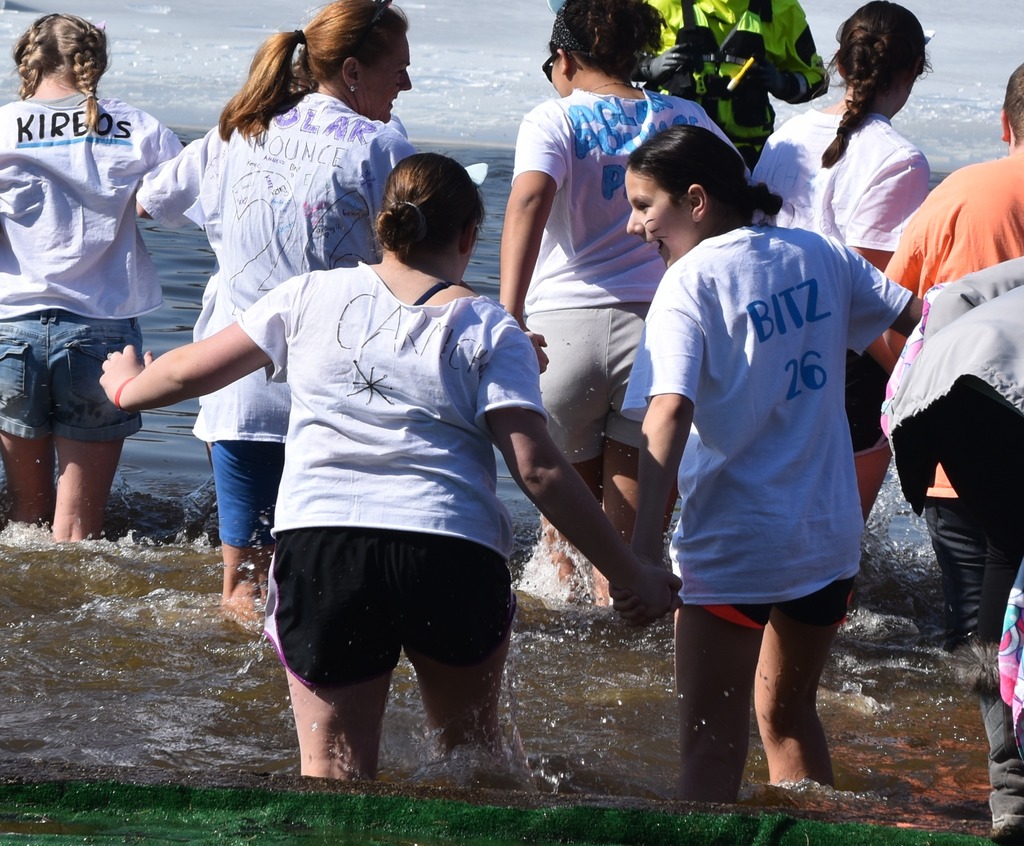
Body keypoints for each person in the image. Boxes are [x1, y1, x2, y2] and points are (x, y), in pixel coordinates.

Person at [102, 153, 681, 781]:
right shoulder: (490, 325)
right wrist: (630, 572)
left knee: (332, 768)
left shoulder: (307, 294)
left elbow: (187, 372)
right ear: (469, 236)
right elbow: (537, 468)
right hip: (451, 548)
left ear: (384, 225)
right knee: (475, 761)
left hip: (327, 545)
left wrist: (126, 387)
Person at [617, 125, 920, 802]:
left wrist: (642, 552)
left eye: (643, 205)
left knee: (711, 744)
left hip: (736, 546)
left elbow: (668, 412)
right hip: (826, 541)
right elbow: (917, 317)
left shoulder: (689, 282)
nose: (634, 225)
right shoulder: (820, 252)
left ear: (696, 201)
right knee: (788, 717)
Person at [137, 0, 415, 619]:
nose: (407, 82)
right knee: (334, 585)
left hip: (238, 391)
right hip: (341, 398)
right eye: (398, 67)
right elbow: (421, 264)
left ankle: (238, 682)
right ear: (351, 70)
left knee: (244, 586)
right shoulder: (381, 146)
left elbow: (150, 202)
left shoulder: (238, 130)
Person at [499, 0, 732, 604]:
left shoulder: (553, 118)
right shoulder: (685, 115)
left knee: (562, 550)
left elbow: (528, 200)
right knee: (627, 556)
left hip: (562, 339)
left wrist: (510, 313)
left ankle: (564, 652)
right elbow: (735, 194)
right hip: (657, 335)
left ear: (565, 57)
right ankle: (628, 646)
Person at [0, 14, 182, 541]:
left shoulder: (4, 125)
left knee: (24, 518)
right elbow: (178, 206)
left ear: (28, 61)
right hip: (101, 335)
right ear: (94, 62)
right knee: (79, 528)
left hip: (11, 330)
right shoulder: (137, 127)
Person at [752, 0, 930, 521]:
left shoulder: (785, 135)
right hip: (839, 363)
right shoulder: (899, 159)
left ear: (840, 63)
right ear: (912, 71)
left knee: (766, 514)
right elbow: (864, 294)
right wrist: (916, 380)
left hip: (766, 339)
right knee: (835, 536)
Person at [885, 61, 1024, 652]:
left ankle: (981, 715)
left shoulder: (960, 193)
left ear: (1004, 123)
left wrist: (918, 412)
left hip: (962, 448)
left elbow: (891, 317)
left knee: (971, 639)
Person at [886, 259, 1024, 845]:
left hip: (946, 389)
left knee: (1006, 548)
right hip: (986, 391)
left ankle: (1011, 795)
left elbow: (946, 302)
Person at [633, 0, 828, 168]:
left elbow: (816, 77)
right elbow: (617, 55)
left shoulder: (781, 8)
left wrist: (784, 83)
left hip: (745, 157)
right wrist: (647, 66)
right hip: (672, 150)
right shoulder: (659, 4)